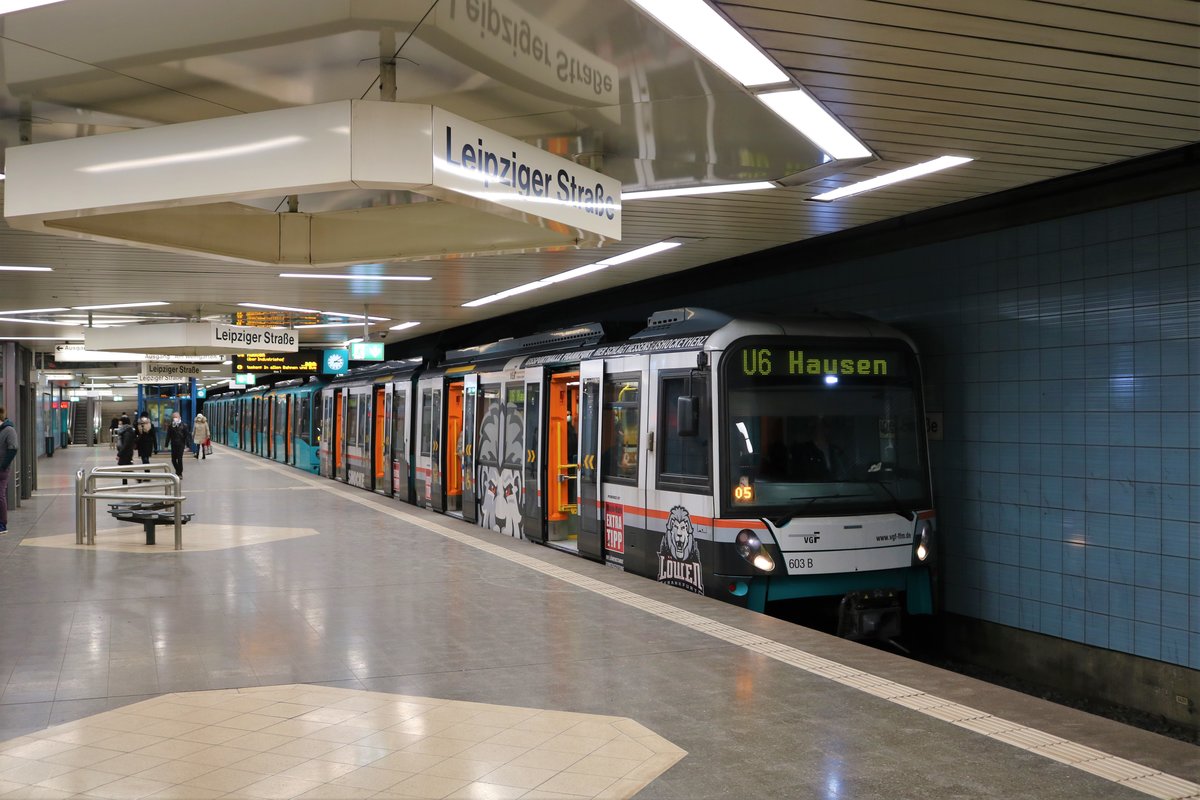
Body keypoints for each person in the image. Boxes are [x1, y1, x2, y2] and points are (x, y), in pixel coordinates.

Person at [0, 407, 17, 534]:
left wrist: (3, 466)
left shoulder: (9, 430)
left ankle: (2, 524)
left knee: (0, 495)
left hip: (2, 470)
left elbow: (13, 449)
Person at [165, 412, 190, 477]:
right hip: (173, 444)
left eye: (176, 417)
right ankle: (178, 470)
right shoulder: (171, 426)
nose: (175, 418)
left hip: (181, 444)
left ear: (179, 417)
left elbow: (187, 436)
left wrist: (188, 445)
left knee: (179, 458)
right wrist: (166, 445)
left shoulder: (184, 425)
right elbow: (168, 436)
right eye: (173, 417)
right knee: (173, 460)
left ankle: (180, 473)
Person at [115, 415, 136, 484]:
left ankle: (136, 478)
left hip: (126, 452)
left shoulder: (127, 432)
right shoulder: (124, 431)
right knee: (125, 467)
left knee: (125, 467)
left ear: (124, 424)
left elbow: (125, 444)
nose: (119, 425)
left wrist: (119, 454)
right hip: (126, 452)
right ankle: (126, 482)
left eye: (120, 424)